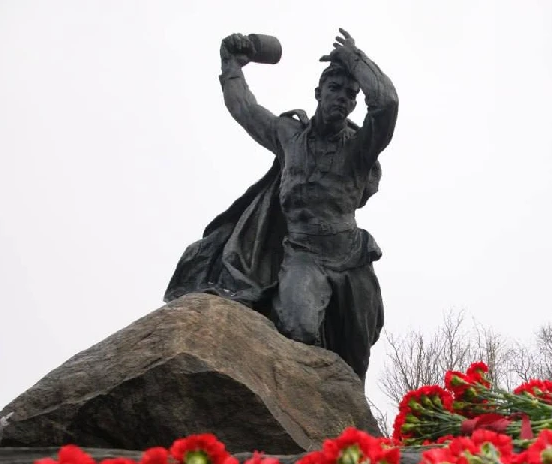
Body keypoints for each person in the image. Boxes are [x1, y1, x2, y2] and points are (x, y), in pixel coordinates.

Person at [164, 29, 398, 383]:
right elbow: (245, 109)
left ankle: (345, 422)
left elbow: (387, 104)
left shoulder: (360, 149)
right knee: (296, 328)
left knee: (354, 358)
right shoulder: (289, 136)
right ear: (318, 93)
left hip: (350, 258)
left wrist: (355, 59)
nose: (343, 99)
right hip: (302, 255)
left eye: (351, 95)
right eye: (335, 90)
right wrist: (231, 66)